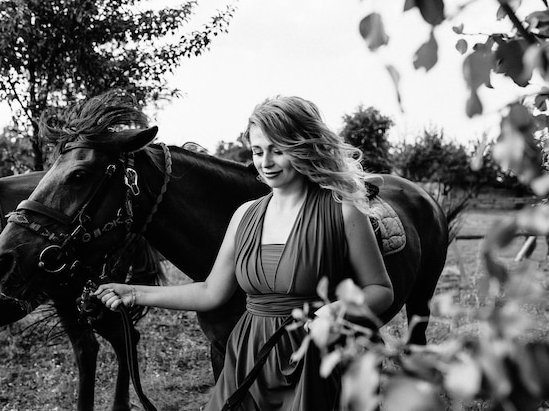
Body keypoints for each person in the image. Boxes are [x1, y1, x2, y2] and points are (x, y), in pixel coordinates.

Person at [93, 95, 393, 410]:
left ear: (304, 147)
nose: (265, 162)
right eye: (258, 151)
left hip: (316, 358)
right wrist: (133, 293)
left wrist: (335, 312)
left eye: (278, 151)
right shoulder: (245, 215)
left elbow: (381, 291)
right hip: (250, 358)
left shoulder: (343, 212)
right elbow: (211, 292)